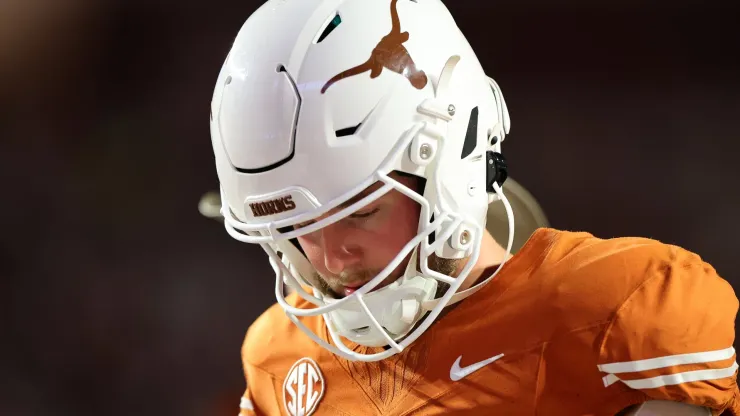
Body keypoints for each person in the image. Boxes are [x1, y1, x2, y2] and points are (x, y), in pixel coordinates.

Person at [207, 0, 739, 414]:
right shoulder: (278, 361)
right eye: (298, 226)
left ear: (453, 162)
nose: (329, 256)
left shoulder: (613, 316)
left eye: (361, 211)